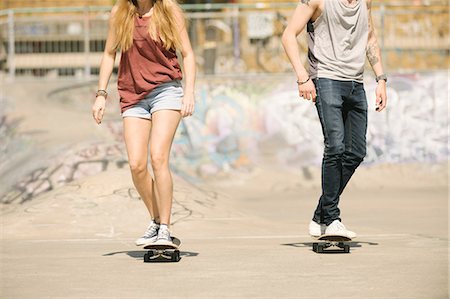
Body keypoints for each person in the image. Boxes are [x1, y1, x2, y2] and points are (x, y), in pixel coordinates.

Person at [92, 0, 195, 246]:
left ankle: (166, 229)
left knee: (158, 157)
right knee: (137, 165)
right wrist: (101, 94)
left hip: (165, 91)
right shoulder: (121, 12)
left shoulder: (169, 11)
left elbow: (188, 54)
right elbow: (109, 53)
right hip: (132, 95)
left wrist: (189, 93)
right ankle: (156, 219)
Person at [282, 0, 387, 237]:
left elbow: (370, 37)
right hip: (326, 78)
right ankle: (331, 218)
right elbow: (288, 35)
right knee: (336, 146)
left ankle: (321, 214)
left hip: (356, 82)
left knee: (356, 152)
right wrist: (302, 77)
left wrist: (381, 79)